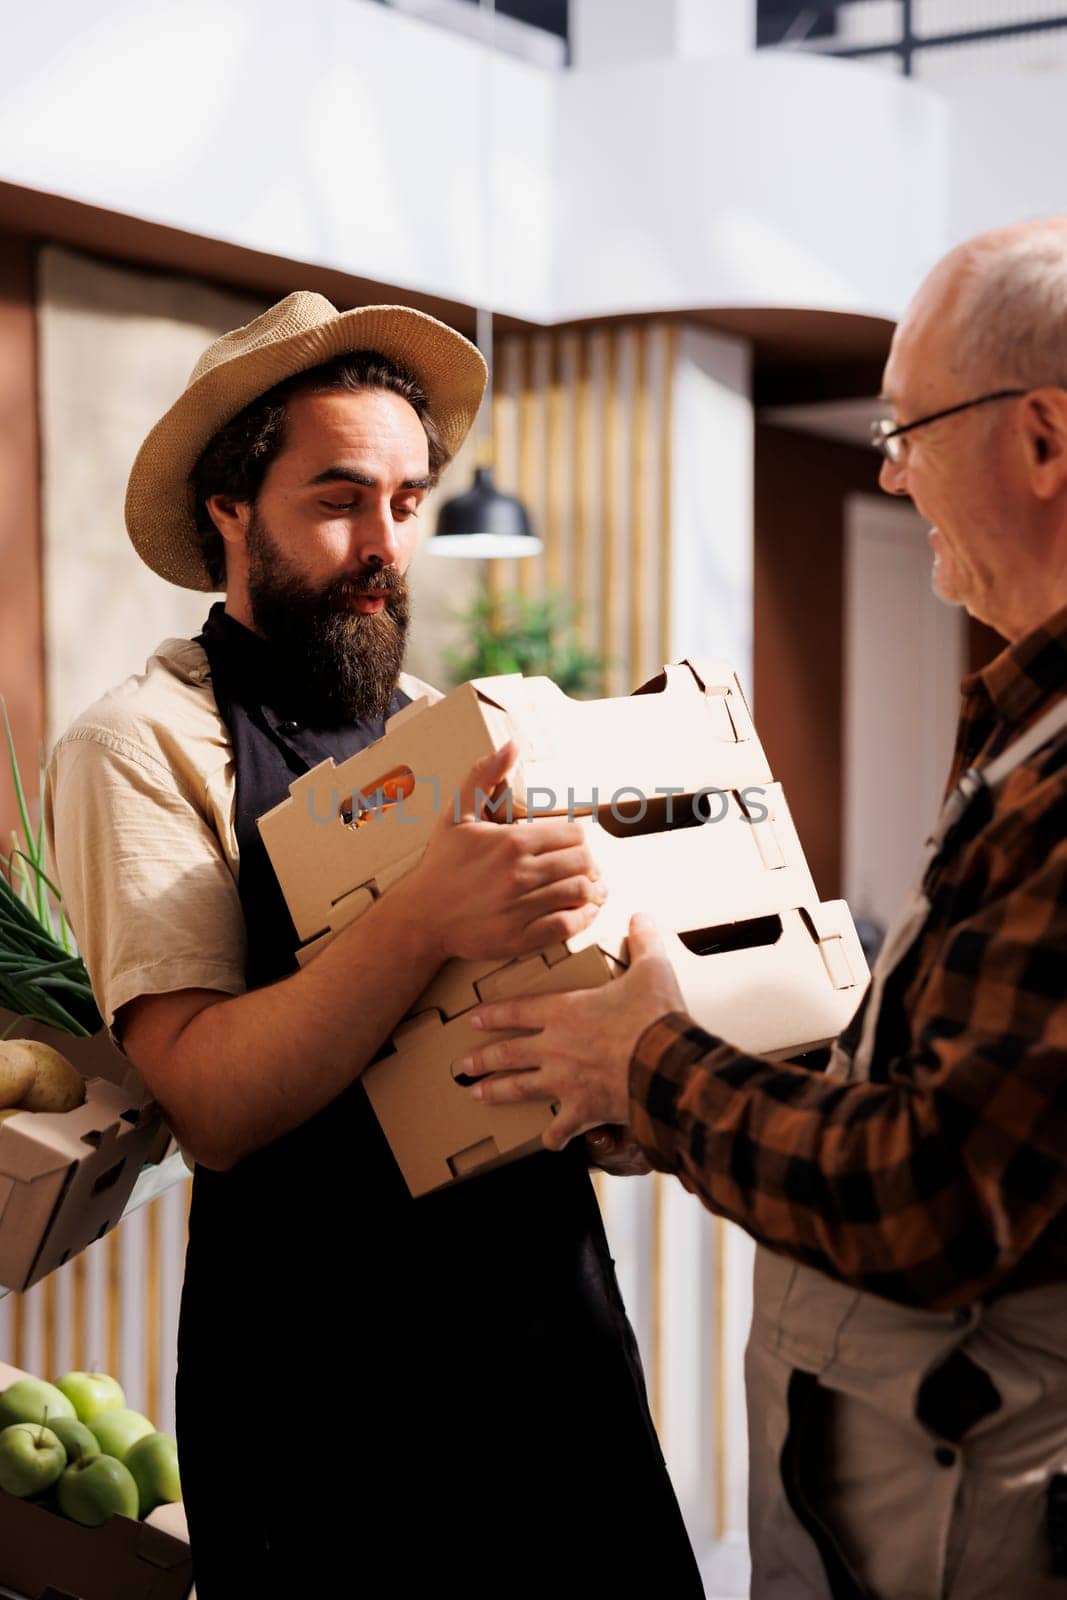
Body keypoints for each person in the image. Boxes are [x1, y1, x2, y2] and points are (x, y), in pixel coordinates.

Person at [43, 293, 704, 1597]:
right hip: (326, 1397)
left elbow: (512, 1017)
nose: (384, 544)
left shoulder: (441, 728)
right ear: (231, 507)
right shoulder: (145, 745)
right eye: (339, 498)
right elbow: (215, 1099)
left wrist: (610, 1080)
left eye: (408, 502)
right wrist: (425, 916)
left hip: (547, 1346)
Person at [464, 220, 1067, 1599]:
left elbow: (934, 1193)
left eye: (912, 424)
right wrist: (664, 1093)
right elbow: (924, 1088)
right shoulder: (1026, 737)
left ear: (1042, 439)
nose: (892, 465)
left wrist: (653, 1065)